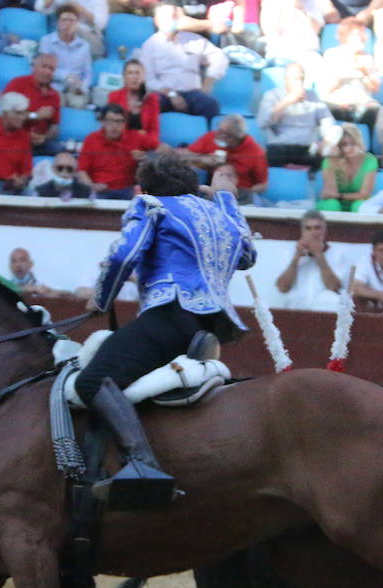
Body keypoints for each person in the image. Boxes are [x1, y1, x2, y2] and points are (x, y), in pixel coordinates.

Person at [81, 151, 256, 511]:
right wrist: (225, 198)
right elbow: (248, 255)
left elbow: (122, 257)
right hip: (210, 325)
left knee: (91, 381)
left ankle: (142, 467)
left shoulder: (150, 205)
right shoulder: (218, 214)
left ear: (145, 185)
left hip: (169, 315)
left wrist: (101, 299)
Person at [135, 2, 226, 119]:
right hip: (164, 94)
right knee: (152, 102)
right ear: (157, 21)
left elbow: (219, 56)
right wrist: (171, 94)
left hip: (193, 94)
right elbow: (148, 80)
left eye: (173, 16)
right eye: (165, 17)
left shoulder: (193, 39)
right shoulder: (150, 45)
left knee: (210, 104)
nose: (170, 20)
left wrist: (208, 81)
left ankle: (205, 137)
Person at [256, 60, 334, 168]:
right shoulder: (272, 95)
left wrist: (326, 141)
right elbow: (262, 122)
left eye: (301, 79)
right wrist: (288, 100)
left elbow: (327, 120)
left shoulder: (312, 97)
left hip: (307, 147)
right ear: (286, 80)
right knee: (271, 156)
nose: (299, 83)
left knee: (329, 159)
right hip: (282, 147)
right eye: (295, 79)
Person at [77, 102, 159, 199]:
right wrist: (92, 187)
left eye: (119, 121)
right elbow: (82, 171)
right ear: (102, 122)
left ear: (125, 123)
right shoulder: (91, 139)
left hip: (128, 190)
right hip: (101, 190)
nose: (115, 126)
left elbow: (163, 149)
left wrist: (146, 156)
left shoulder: (135, 137)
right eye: (110, 121)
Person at [182, 113, 268, 204]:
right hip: (213, 190)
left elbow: (262, 184)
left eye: (225, 134)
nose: (218, 135)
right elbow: (183, 156)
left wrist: (244, 192)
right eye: (219, 130)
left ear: (236, 137)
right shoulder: (211, 137)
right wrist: (202, 158)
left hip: (242, 193)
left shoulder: (256, 152)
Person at [274, 209, 344, 311]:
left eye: (317, 228)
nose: (313, 232)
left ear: (324, 230)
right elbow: (282, 287)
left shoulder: (337, 254)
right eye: (308, 228)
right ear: (302, 231)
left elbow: (334, 287)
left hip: (324, 312)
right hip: (295, 310)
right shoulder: (288, 252)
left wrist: (319, 255)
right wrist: (296, 258)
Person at [319, 19, 379, 125]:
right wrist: (345, 71)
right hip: (338, 102)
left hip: (361, 103)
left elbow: (375, 89)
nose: (362, 37)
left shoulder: (367, 57)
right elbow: (326, 88)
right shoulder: (332, 54)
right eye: (358, 33)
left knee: (376, 110)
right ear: (345, 36)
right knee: (329, 109)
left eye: (363, 33)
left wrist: (366, 73)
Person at [4, 52, 63, 154]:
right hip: (15, 137)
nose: (48, 72)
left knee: (63, 153)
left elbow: (55, 127)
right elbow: (6, 116)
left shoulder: (54, 95)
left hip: (39, 142)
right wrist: (36, 115)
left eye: (51, 69)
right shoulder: (17, 84)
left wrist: (44, 137)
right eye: (44, 66)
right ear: (34, 67)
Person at [315, 122, 377, 212]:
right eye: (344, 144)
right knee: (332, 205)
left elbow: (365, 194)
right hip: (335, 202)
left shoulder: (370, 160)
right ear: (338, 146)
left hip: (357, 201)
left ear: (359, 143)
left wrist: (340, 196)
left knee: (359, 206)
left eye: (353, 144)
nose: (349, 148)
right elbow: (331, 193)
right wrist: (335, 161)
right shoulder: (329, 161)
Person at [36, 4, 89, 107]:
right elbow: (44, 69)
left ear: (77, 24)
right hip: (53, 84)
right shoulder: (47, 41)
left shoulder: (85, 45)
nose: (67, 24)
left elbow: (87, 72)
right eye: (64, 20)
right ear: (58, 23)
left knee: (79, 104)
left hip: (76, 88)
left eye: (71, 21)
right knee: (56, 101)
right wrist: (66, 77)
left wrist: (82, 87)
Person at [108, 59, 160, 144]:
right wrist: (137, 136)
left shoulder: (152, 99)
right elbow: (112, 129)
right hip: (119, 144)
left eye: (137, 73)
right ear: (124, 77)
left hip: (144, 145)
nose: (134, 77)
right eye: (130, 73)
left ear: (143, 77)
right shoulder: (114, 97)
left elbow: (154, 131)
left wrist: (145, 143)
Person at [27, 148, 93, 198]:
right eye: (60, 168)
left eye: (69, 169)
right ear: (53, 169)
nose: (64, 171)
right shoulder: (40, 191)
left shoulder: (86, 192)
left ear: (75, 171)